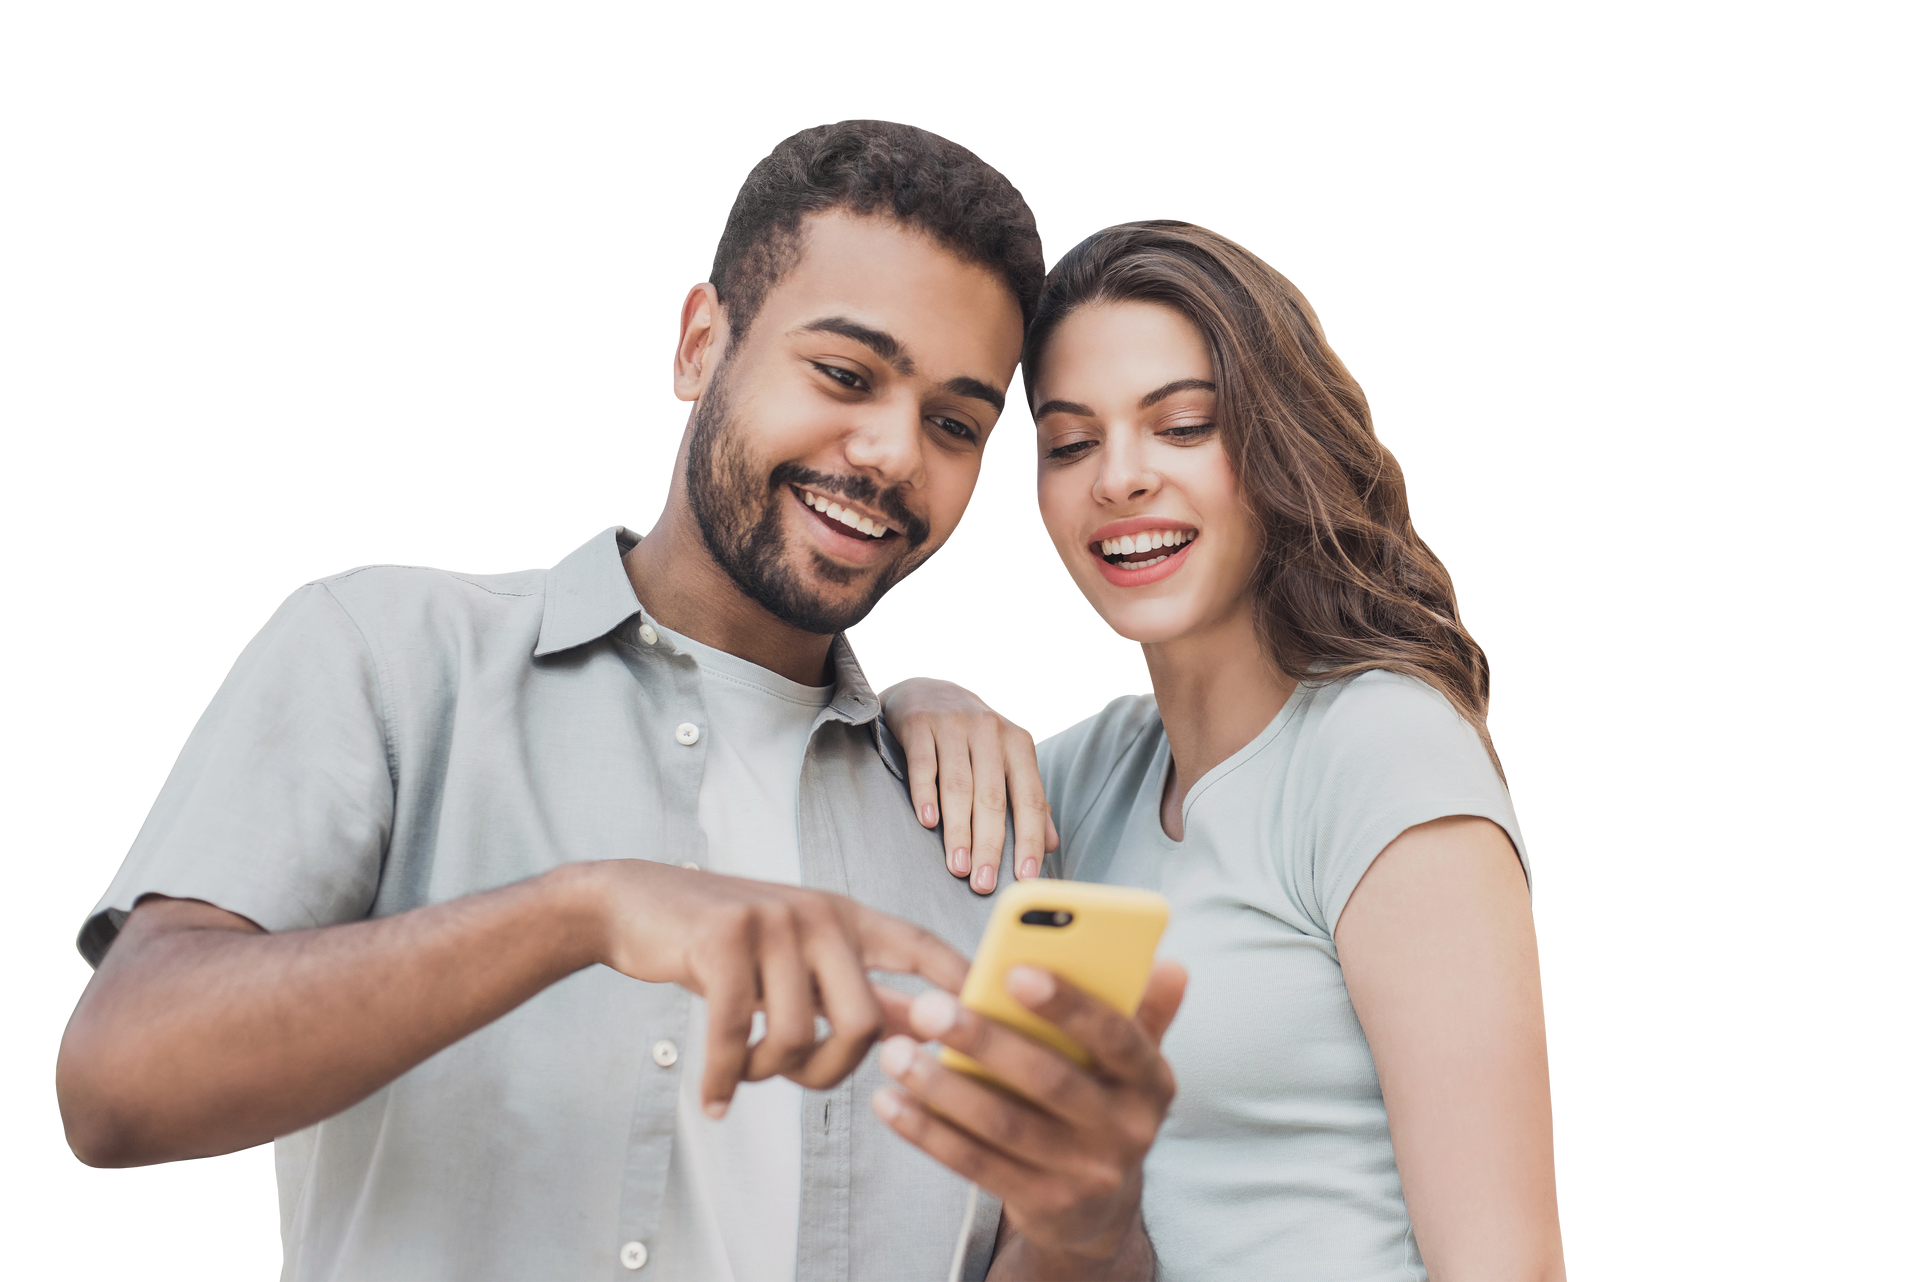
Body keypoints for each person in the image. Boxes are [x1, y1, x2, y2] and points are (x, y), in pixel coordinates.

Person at [53, 120, 1175, 1282]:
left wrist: (1085, 1224)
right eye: (844, 373)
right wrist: (581, 911)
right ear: (700, 344)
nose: (893, 453)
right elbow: (115, 1088)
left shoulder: (979, 823)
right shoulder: (391, 656)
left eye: (955, 423)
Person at [876, 219, 1568, 1279]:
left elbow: (1506, 1266)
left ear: (1278, 444)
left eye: (1184, 425)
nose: (1120, 477)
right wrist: (922, 697)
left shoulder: (1381, 752)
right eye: (1069, 442)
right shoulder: (1080, 776)